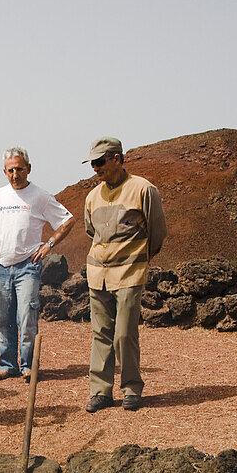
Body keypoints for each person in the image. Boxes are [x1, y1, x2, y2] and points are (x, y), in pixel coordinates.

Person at [0, 147, 74, 381]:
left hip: (28, 266)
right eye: (10, 170)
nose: (15, 174)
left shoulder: (40, 196)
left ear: (29, 169)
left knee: (27, 317)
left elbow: (67, 220)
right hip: (1, 267)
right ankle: (7, 365)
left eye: (19, 169)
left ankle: (28, 366)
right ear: (4, 171)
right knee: (3, 319)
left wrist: (48, 244)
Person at [83, 137, 167, 412]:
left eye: (100, 162)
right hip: (98, 274)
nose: (95, 168)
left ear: (117, 159)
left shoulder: (143, 190)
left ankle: (131, 388)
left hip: (130, 273)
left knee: (124, 333)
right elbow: (90, 232)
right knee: (101, 333)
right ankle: (101, 392)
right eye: (92, 163)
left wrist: (140, 258)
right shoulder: (92, 196)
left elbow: (157, 232)